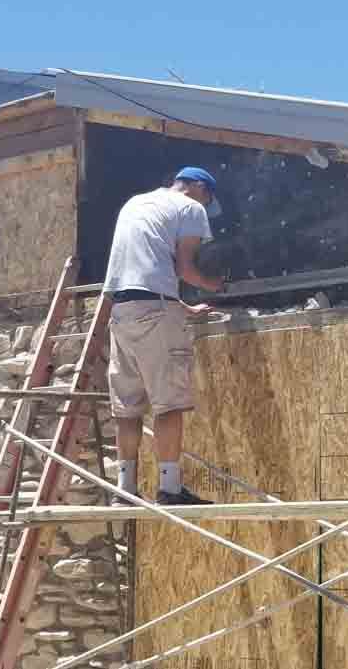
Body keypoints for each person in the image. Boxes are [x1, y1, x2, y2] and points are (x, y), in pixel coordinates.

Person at [101, 166, 226, 505]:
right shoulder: (191, 208)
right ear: (198, 187)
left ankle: (124, 491)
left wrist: (182, 308)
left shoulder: (136, 203)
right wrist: (217, 285)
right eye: (208, 198)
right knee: (168, 404)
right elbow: (185, 269)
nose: (207, 206)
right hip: (154, 309)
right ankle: (170, 490)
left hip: (121, 311)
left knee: (127, 408)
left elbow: (145, 274)